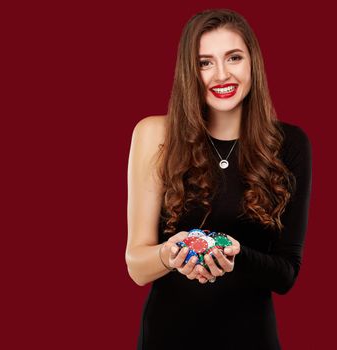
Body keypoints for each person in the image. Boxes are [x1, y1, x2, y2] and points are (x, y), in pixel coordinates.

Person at [125, 8, 312, 350]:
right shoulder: (155, 134)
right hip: (168, 337)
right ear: (189, 72)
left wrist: (233, 253)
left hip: (250, 338)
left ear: (252, 62)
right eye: (204, 63)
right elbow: (136, 265)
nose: (222, 74)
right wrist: (170, 254)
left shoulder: (290, 144)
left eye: (234, 57)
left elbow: (286, 274)